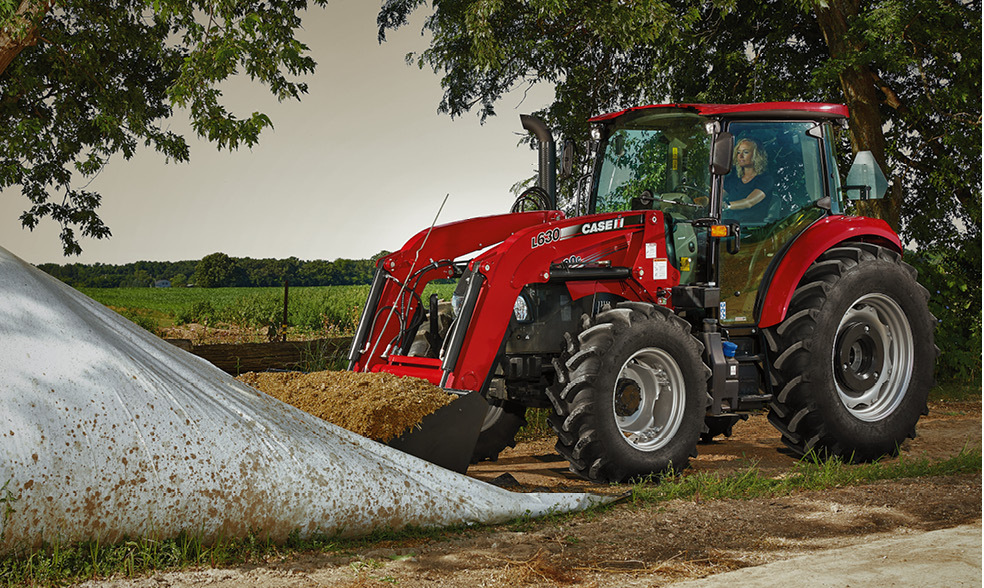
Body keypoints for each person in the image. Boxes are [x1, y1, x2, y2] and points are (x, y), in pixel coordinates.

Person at [723, 138, 773, 222]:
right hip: (730, 227)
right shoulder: (733, 179)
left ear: (756, 155)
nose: (740, 156)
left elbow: (749, 202)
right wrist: (704, 201)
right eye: (738, 152)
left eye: (745, 152)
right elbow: (719, 195)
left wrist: (726, 206)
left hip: (754, 228)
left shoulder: (765, 179)